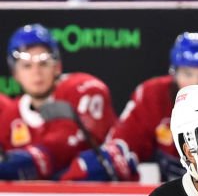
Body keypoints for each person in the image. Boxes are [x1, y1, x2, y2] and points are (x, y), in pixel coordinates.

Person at [62, 32, 198, 183]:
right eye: (188, 74)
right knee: (91, 166)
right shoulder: (154, 95)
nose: (195, 84)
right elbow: (125, 141)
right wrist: (113, 158)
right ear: (174, 73)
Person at [0, 24, 116, 180]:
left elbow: (69, 145)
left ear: (57, 67)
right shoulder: (9, 116)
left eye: (43, 63)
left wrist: (29, 160)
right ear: (15, 74)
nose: (36, 72)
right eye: (27, 66)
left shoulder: (84, 89)